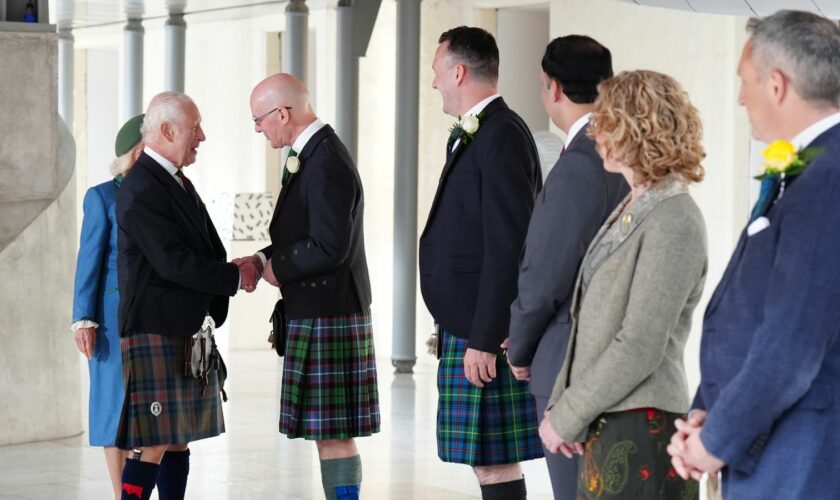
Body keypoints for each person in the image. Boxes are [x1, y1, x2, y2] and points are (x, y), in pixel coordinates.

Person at [668, 11, 840, 499]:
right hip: (773, 444)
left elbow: (791, 342)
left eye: (745, 82)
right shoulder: (814, 165)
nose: (741, 96)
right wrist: (709, 413)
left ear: (778, 84)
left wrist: (717, 440)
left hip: (802, 457)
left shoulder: (829, 180)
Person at [540, 70, 707, 500]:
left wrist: (567, 414)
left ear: (636, 129)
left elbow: (639, 343)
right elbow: (589, 325)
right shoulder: (637, 204)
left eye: (606, 120)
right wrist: (566, 409)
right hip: (611, 418)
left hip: (642, 427)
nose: (596, 132)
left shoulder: (674, 217)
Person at [236, 73, 379, 500]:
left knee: (333, 433)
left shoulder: (327, 159)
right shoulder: (312, 154)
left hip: (330, 310)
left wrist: (279, 265)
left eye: (260, 119)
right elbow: (304, 233)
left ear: (283, 113)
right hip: (321, 308)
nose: (258, 128)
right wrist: (262, 259)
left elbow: (329, 246)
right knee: (328, 433)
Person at [114, 91, 258, 500]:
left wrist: (233, 268)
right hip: (155, 328)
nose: (203, 136)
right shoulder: (142, 187)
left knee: (177, 437)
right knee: (156, 439)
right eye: (195, 128)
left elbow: (199, 249)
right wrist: (233, 276)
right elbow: (173, 262)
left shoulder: (172, 180)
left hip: (180, 326)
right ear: (166, 129)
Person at [419, 26, 543, 499]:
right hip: (468, 323)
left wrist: (486, 337)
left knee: (491, 461)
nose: (434, 84)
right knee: (486, 461)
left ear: (458, 71)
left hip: (480, 330)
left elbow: (509, 243)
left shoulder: (502, 134)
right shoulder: (483, 131)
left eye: (436, 73)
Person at [504, 35, 627, 500]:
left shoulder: (581, 161)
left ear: (554, 88)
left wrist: (520, 346)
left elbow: (548, 271)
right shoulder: (620, 150)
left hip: (568, 361)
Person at [72, 114, 144, 499]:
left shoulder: (168, 191)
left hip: (151, 318)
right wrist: (83, 318)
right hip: (110, 324)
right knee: (113, 410)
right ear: (137, 152)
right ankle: (122, 495)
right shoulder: (101, 197)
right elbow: (89, 260)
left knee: (148, 414)